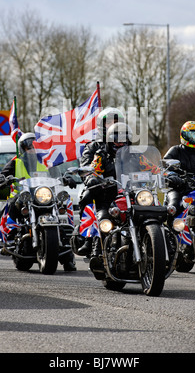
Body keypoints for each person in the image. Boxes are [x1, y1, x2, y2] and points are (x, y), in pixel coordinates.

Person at [0, 132, 77, 271]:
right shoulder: (16, 162)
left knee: (64, 203)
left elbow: (57, 174)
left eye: (34, 147)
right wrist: (2, 178)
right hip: (24, 196)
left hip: (44, 196)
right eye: (29, 148)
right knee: (11, 204)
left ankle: (69, 256)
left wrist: (67, 178)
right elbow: (4, 173)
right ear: (23, 149)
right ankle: (11, 235)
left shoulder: (47, 162)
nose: (32, 150)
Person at [78, 119, 133, 277]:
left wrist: (162, 173)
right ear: (110, 140)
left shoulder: (134, 156)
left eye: (124, 139)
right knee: (103, 218)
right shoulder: (101, 154)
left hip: (129, 196)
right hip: (107, 196)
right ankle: (97, 253)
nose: (120, 143)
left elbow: (150, 166)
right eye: (117, 139)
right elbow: (92, 169)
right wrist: (92, 178)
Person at [76, 107, 125, 256]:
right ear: (101, 125)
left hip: (124, 191)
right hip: (102, 190)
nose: (112, 125)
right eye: (109, 122)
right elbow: (86, 167)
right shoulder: (94, 146)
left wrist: (157, 173)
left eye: (116, 122)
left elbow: (141, 164)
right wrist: (90, 177)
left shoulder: (126, 146)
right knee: (87, 196)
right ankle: (89, 238)